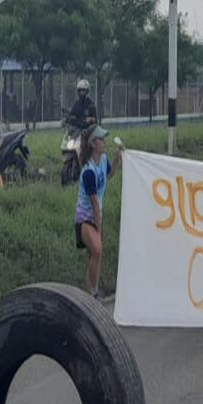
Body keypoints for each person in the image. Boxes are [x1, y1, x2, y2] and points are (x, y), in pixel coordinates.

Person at [75, 125, 122, 299]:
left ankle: (90, 293)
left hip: (96, 214)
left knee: (94, 254)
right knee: (96, 248)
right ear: (93, 144)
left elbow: (108, 175)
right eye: (101, 139)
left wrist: (116, 159)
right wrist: (99, 229)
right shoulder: (88, 171)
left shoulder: (102, 159)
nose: (105, 142)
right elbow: (94, 202)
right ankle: (93, 293)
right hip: (85, 217)